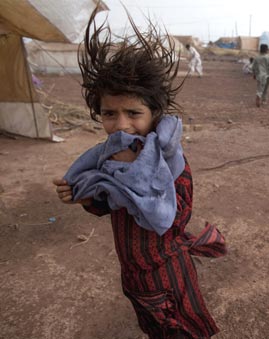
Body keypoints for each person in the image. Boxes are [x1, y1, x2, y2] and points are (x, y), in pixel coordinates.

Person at [52, 9, 226, 339]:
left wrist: (131, 183)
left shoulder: (170, 163)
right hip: (132, 272)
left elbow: (172, 218)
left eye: (134, 113)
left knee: (179, 329)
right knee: (151, 325)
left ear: (154, 113)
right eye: (109, 113)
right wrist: (86, 195)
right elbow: (106, 203)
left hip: (165, 273)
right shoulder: (108, 156)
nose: (121, 125)